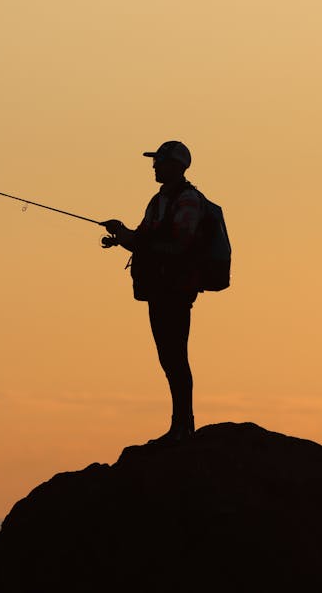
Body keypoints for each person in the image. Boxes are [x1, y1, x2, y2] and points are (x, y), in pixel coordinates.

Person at [101, 140, 203, 444]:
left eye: (159, 161)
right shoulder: (158, 201)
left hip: (177, 289)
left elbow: (180, 243)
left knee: (176, 356)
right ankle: (180, 424)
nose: (154, 166)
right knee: (168, 357)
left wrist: (134, 240)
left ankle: (184, 425)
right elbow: (144, 238)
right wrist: (121, 234)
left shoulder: (188, 200)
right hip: (159, 288)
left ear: (176, 166)